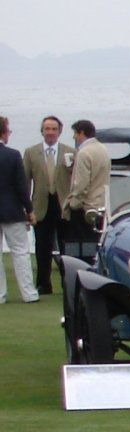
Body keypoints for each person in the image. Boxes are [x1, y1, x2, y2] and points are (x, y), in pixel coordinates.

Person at [24, 114, 71, 296]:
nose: (50, 132)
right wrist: (26, 208)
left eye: (54, 129)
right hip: (41, 205)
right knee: (42, 247)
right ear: (42, 131)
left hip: (62, 205)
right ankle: (43, 284)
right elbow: (25, 181)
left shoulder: (70, 152)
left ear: (59, 131)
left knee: (66, 247)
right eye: (47, 129)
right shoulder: (31, 152)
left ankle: (67, 284)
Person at [0, 116, 33, 303]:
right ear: (4, 133)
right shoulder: (12, 155)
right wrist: (29, 209)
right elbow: (21, 185)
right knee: (20, 252)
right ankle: (28, 294)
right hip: (12, 210)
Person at [63, 119, 108, 254]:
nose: (74, 137)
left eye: (75, 134)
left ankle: (77, 269)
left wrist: (73, 203)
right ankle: (92, 266)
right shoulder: (103, 149)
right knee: (92, 242)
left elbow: (81, 184)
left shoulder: (84, 153)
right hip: (99, 203)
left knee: (75, 243)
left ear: (81, 133)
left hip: (84, 207)